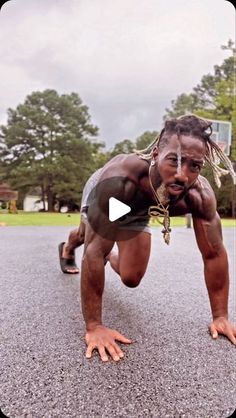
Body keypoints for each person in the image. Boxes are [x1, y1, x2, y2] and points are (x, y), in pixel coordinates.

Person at [58, 115, 236, 362]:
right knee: (89, 239)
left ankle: (110, 250)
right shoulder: (120, 182)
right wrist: (94, 326)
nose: (182, 175)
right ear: (155, 154)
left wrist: (220, 316)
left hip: (141, 208)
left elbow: (214, 253)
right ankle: (68, 248)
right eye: (174, 160)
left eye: (193, 166)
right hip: (117, 198)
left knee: (131, 278)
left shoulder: (199, 195)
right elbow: (94, 252)